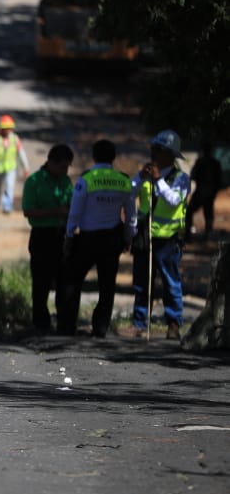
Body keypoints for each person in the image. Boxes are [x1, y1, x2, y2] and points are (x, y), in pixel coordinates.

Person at [56, 140, 135, 337]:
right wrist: (128, 238)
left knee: (72, 282)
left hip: (87, 239)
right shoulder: (124, 180)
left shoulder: (87, 179)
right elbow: (131, 215)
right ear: (113, 157)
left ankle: (67, 325)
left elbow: (75, 211)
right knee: (107, 285)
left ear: (94, 156)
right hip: (112, 239)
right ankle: (100, 327)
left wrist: (69, 235)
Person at [127, 129, 190, 340]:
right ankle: (140, 322)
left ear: (170, 155)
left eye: (159, 150)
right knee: (143, 281)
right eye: (153, 149)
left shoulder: (181, 178)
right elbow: (130, 193)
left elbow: (173, 200)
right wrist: (140, 177)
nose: (153, 154)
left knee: (170, 282)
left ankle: (173, 323)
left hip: (168, 239)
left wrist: (158, 181)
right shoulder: (145, 175)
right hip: (146, 237)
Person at [21, 143, 74, 334]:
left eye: (67, 167)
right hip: (41, 236)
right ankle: (40, 323)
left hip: (62, 236)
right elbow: (28, 210)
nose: (65, 170)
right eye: (62, 166)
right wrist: (55, 211)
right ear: (51, 162)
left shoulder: (66, 181)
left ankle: (63, 321)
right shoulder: (34, 181)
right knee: (41, 282)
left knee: (63, 280)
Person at [0, 114, 30, 214]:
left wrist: (25, 167)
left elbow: (21, 153)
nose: (7, 130)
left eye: (9, 128)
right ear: (1, 128)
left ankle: (7, 207)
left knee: (9, 187)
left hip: (11, 168)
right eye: (5, 128)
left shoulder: (15, 139)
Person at [186, 142, 222, 241]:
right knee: (207, 214)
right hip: (208, 192)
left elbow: (193, 175)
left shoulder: (202, 162)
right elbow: (219, 180)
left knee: (191, 212)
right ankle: (204, 235)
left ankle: (190, 234)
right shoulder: (214, 163)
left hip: (202, 192)